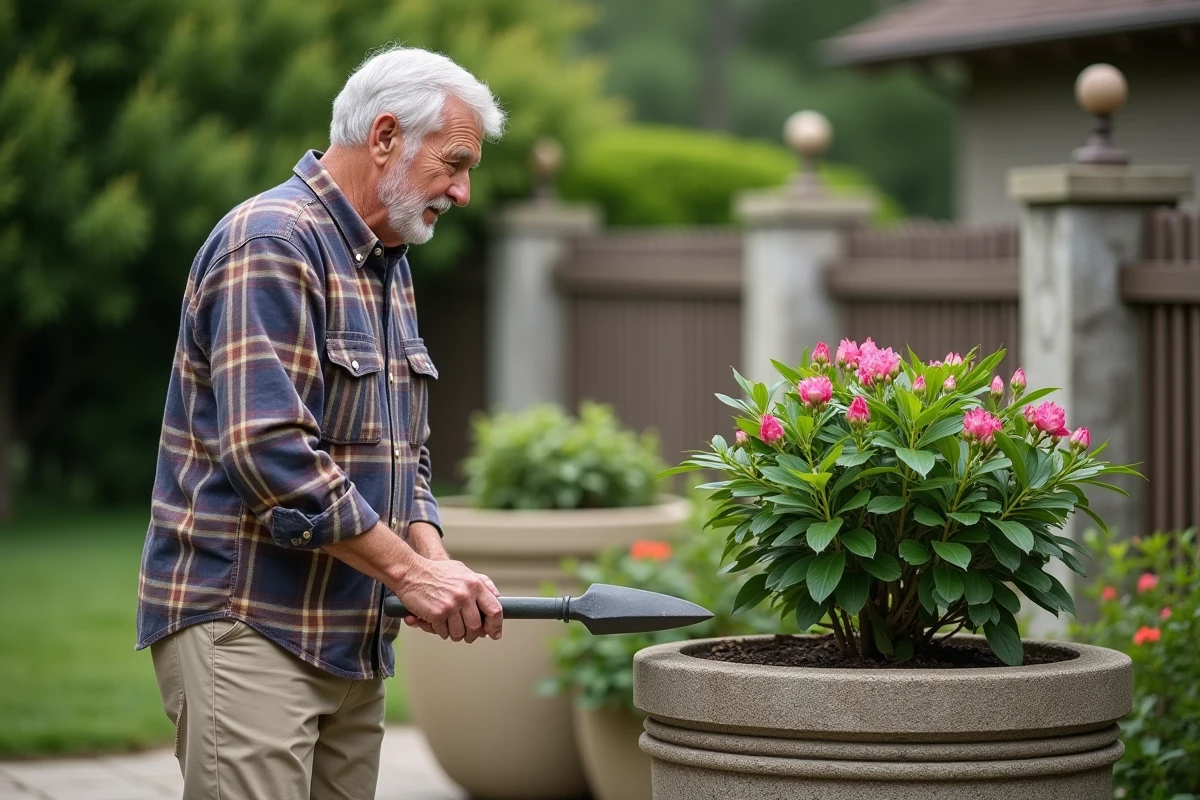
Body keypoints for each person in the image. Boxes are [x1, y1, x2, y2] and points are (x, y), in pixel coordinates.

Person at [135, 46, 505, 799]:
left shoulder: (388, 262)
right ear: (386, 136)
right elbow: (270, 452)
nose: (464, 192)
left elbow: (406, 451)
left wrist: (433, 560)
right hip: (250, 626)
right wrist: (410, 573)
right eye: (456, 163)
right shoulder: (272, 242)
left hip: (352, 637)